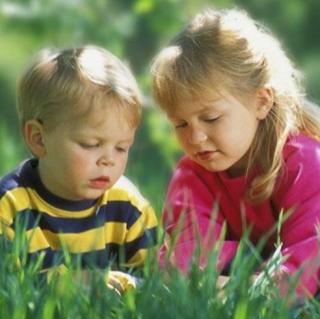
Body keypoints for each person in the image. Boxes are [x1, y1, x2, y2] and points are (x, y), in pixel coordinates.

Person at [151, 8, 320, 297]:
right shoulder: (193, 174)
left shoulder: (305, 163)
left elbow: (310, 254)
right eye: (180, 124)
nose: (196, 137)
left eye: (211, 118)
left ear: (261, 102)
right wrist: (200, 281)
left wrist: (249, 292)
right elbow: (186, 257)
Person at [0, 45, 157, 292]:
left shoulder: (127, 205)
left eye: (121, 147)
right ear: (39, 138)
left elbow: (160, 285)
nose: (109, 160)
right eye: (91, 144)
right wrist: (66, 285)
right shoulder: (9, 205)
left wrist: (129, 286)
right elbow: (7, 289)